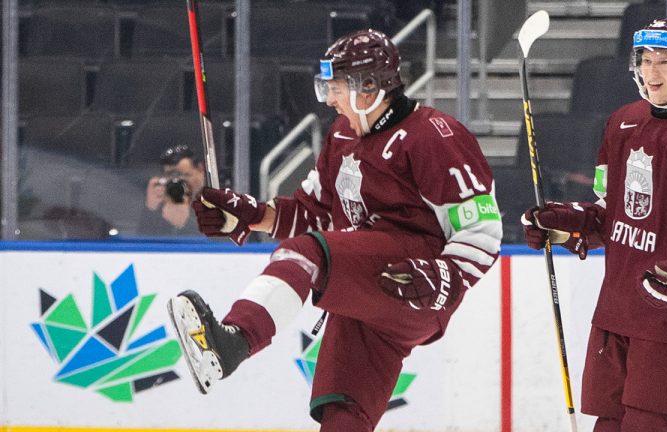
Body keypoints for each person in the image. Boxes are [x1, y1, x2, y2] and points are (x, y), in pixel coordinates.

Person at [167, 29, 502, 431]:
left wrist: (443, 277)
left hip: (417, 284)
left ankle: (235, 341)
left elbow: (481, 231)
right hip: (366, 287)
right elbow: (313, 213)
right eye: (325, 87)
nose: (329, 99)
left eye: (337, 87)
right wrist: (251, 215)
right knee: (344, 411)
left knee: (305, 253)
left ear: (371, 88)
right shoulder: (342, 136)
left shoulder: (433, 135)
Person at [521, 18, 667, 431]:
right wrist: (566, 224)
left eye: (664, 61)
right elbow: (612, 213)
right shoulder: (623, 122)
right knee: (608, 423)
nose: (651, 72)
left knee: (646, 423)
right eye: (645, 60)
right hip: (621, 305)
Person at [137, 144, 205, 236]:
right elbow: (144, 243)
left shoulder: (221, 199)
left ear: (200, 169)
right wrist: (151, 209)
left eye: (185, 175)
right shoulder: (162, 202)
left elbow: (221, 243)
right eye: (171, 176)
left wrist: (186, 223)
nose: (178, 182)